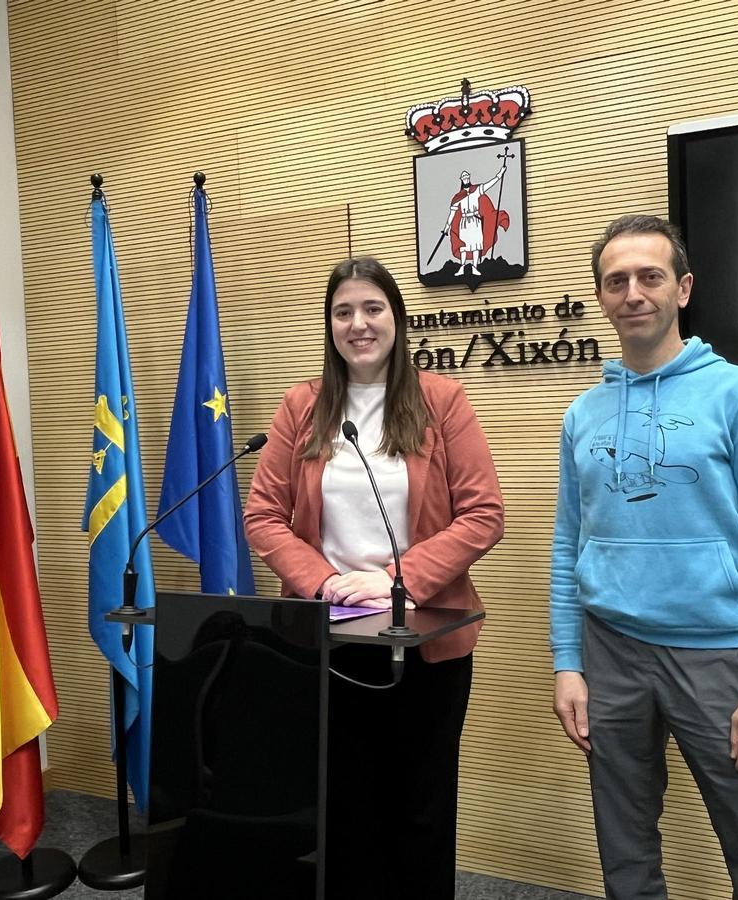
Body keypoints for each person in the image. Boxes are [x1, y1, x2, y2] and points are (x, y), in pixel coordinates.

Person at [549, 214, 738, 900]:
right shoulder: (583, 415)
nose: (633, 293)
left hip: (716, 656)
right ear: (602, 296)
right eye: (616, 281)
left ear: (683, 288)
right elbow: (568, 544)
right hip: (609, 651)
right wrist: (568, 662)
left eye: (650, 276)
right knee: (625, 853)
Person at [244, 256, 504, 900]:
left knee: (421, 804)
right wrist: (324, 582)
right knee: (343, 804)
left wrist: (395, 580)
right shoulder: (303, 406)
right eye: (343, 312)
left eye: (372, 308)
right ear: (329, 325)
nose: (358, 324)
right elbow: (264, 516)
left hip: (424, 641)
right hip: (327, 637)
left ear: (397, 317)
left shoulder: (441, 401)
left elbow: (483, 515)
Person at [448, 164, 507, 274]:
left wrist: (499, 174)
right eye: (464, 178)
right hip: (464, 222)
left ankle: (475, 267)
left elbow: (489, 184)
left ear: (469, 178)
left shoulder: (476, 190)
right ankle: (462, 267)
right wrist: (446, 226)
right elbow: (452, 213)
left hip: (475, 221)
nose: (466, 179)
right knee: (463, 246)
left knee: (476, 245)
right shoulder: (458, 197)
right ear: (461, 180)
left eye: (467, 177)